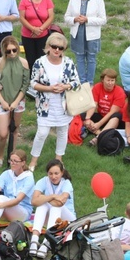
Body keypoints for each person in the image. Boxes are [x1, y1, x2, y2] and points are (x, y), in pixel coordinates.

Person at [28, 33, 80, 171]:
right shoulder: (40, 62)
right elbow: (33, 83)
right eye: (54, 47)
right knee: (42, 133)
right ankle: (33, 161)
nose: (57, 50)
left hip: (63, 104)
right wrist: (49, 89)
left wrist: (66, 86)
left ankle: (59, 160)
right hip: (45, 104)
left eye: (60, 48)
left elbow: (76, 82)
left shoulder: (68, 63)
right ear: (48, 46)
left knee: (63, 131)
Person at [0, 36, 29, 167]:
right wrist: (3, 102)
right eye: (8, 51)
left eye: (14, 50)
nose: (12, 53)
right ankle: (0, 156)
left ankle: (12, 156)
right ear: (3, 51)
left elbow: (25, 85)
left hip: (18, 100)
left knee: (14, 130)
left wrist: (16, 102)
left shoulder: (23, 63)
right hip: (2, 100)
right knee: (2, 133)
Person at [64, 0, 107, 84]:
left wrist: (87, 19)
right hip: (77, 33)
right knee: (79, 57)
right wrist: (75, 19)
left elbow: (103, 20)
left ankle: (90, 82)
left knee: (91, 58)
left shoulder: (98, 0)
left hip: (92, 34)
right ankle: (82, 81)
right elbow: (66, 17)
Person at [29, 159, 76, 259]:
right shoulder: (43, 181)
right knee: (42, 205)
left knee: (53, 206)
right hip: (52, 218)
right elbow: (33, 201)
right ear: (47, 173)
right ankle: (34, 239)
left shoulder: (66, 183)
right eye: (50, 174)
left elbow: (60, 203)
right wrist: (52, 196)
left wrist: (43, 198)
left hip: (67, 219)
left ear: (62, 173)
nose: (53, 177)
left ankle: (47, 242)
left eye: (56, 173)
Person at [19, 0, 54, 71]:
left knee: (42, 59)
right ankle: (30, 80)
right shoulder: (24, 0)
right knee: (30, 60)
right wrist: (33, 29)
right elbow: (21, 17)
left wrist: (40, 29)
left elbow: (50, 17)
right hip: (27, 35)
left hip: (43, 35)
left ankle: (41, 81)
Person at [84, 69, 125, 142]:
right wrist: (88, 118)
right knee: (83, 116)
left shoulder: (120, 92)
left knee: (116, 115)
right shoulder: (97, 87)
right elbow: (93, 105)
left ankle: (98, 138)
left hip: (115, 119)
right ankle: (98, 132)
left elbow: (112, 112)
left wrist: (99, 124)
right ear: (102, 80)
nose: (110, 83)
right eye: (108, 80)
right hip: (102, 115)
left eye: (112, 80)